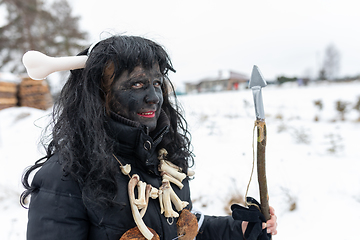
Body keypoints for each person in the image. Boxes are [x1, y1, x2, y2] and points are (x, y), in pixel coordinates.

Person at [21, 35, 277, 240]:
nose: (154, 97)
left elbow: (181, 227)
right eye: (136, 84)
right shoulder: (66, 176)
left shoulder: (163, 159)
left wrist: (239, 229)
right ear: (99, 94)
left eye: (156, 83)